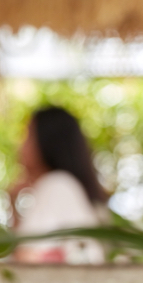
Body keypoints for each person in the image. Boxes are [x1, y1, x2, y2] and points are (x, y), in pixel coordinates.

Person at [10, 106, 109, 264]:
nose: (20, 146)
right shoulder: (66, 186)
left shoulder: (56, 184)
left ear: (46, 141)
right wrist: (13, 204)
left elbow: (25, 256)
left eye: (27, 136)